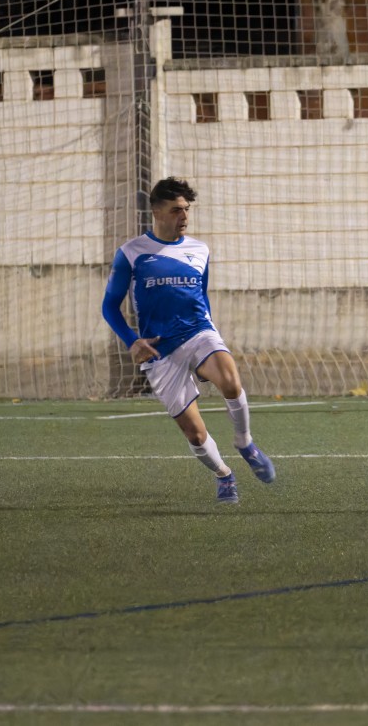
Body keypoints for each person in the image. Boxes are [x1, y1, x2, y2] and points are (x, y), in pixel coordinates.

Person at [102, 177, 276, 505]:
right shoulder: (131, 253)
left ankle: (245, 442)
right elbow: (109, 306)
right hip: (158, 350)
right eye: (176, 210)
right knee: (194, 433)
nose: (184, 216)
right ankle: (224, 475)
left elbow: (201, 295)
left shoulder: (200, 250)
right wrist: (132, 341)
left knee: (230, 380)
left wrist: (209, 334)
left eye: (186, 209)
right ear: (156, 212)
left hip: (198, 331)